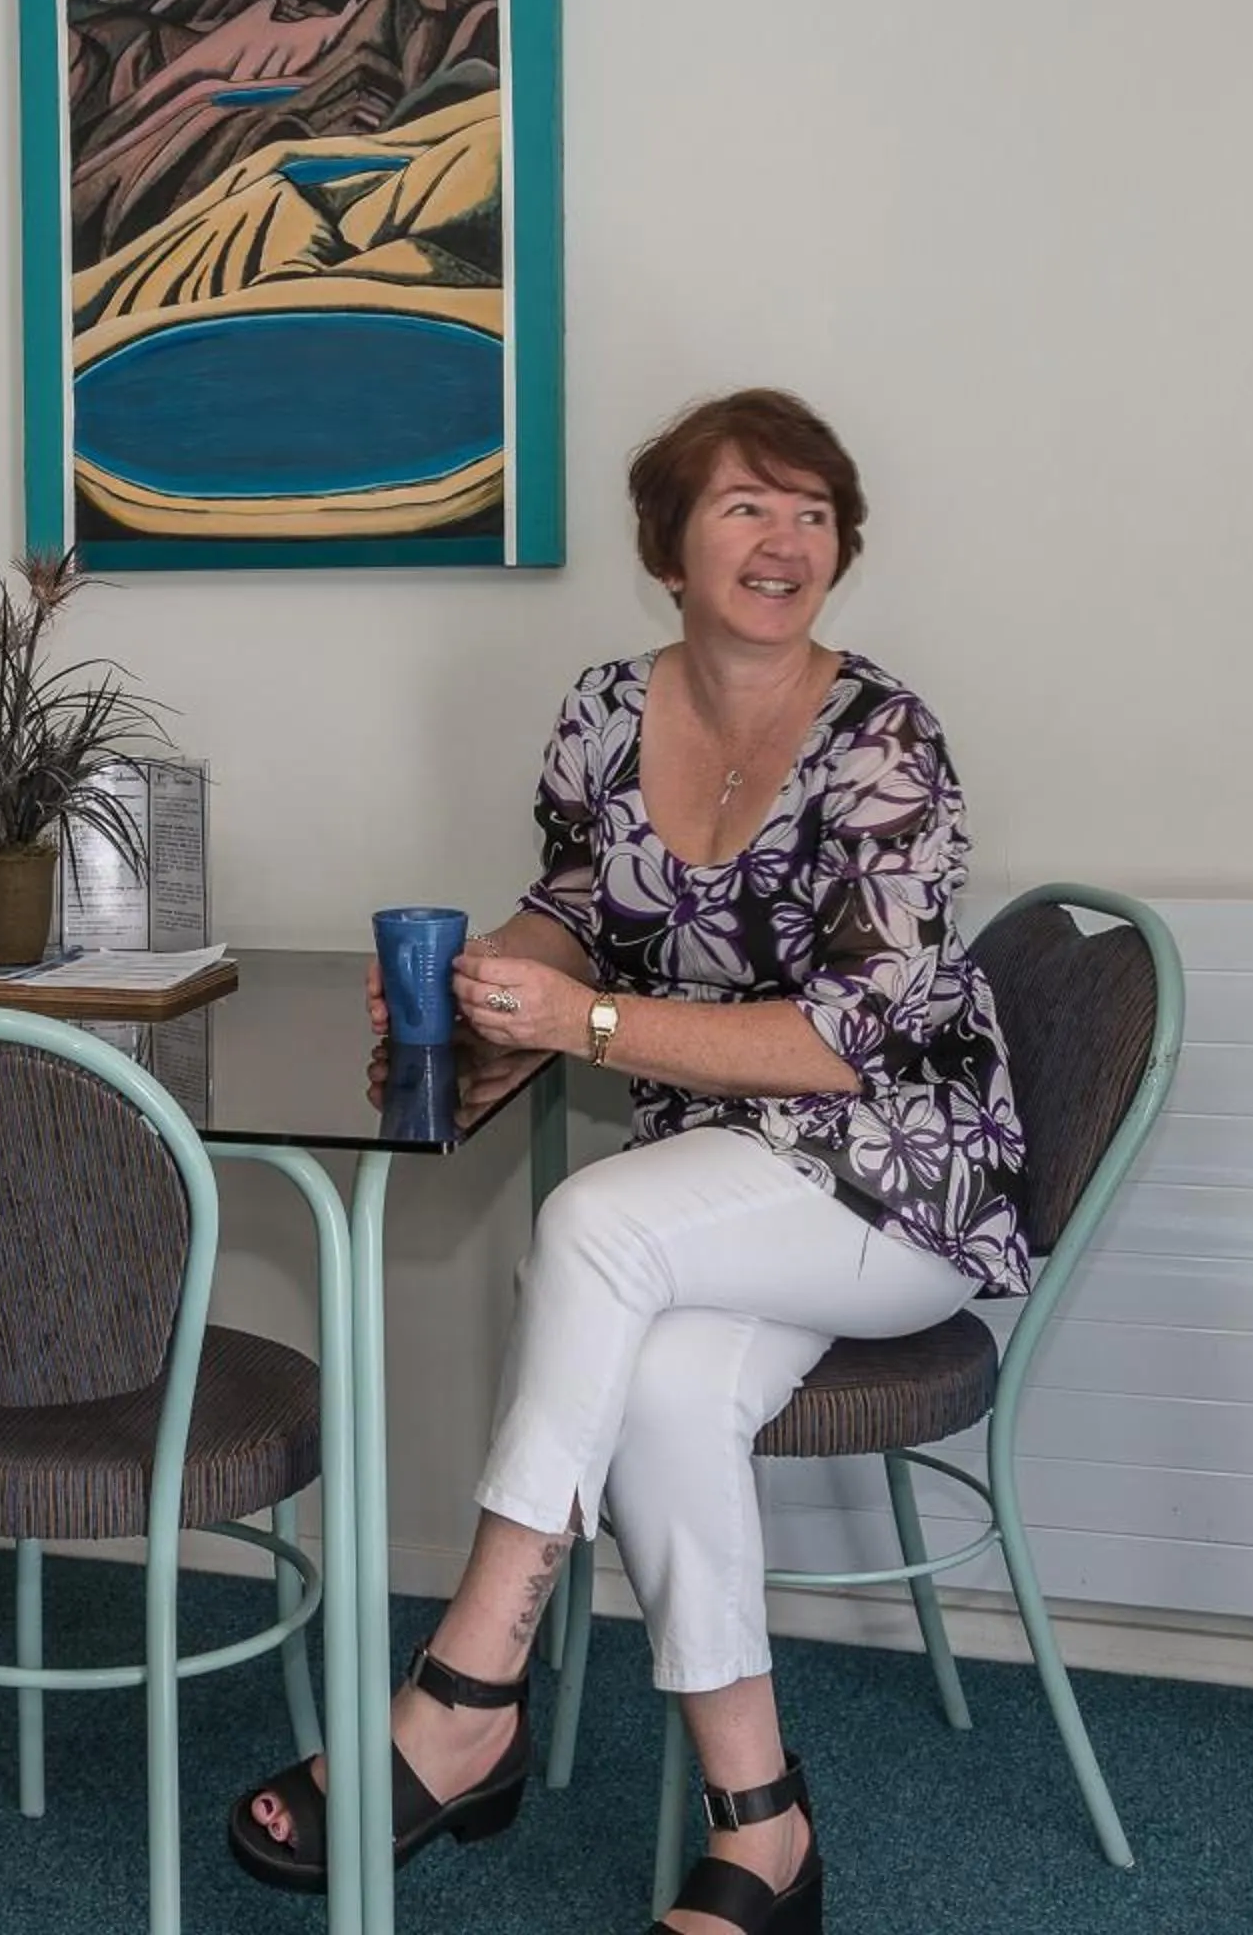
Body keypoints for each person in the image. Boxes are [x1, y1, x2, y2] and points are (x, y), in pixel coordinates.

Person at [230, 389, 1027, 1935]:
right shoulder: (606, 707)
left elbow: (842, 1042)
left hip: (898, 1174)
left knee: (591, 1223)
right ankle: (765, 1828)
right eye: (745, 507)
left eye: (812, 512)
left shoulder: (886, 744)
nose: (784, 539)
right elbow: (577, 904)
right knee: (662, 1392)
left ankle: (467, 1689)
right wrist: (503, 990)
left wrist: (587, 1022)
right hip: (719, 1178)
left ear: (842, 547)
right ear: (670, 546)